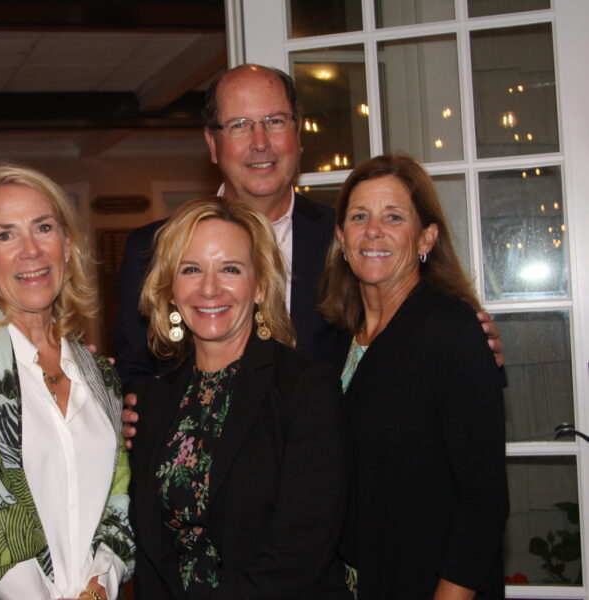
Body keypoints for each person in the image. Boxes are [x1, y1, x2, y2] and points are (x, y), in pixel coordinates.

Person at [115, 63, 503, 439]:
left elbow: (408, 326)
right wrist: (139, 412)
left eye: (275, 121)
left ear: (298, 134)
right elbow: (135, 368)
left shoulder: (349, 239)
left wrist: (469, 345)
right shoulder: (151, 249)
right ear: (211, 144)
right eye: (239, 125)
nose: (260, 142)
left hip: (328, 476)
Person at [0, 162, 135, 600]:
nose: (30, 250)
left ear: (67, 244)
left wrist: (101, 582)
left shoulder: (100, 376)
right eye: (5, 235)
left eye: (43, 228)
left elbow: (118, 502)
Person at [128, 196, 348, 599]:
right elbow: (151, 556)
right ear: (171, 290)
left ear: (260, 285)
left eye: (230, 269)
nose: (209, 288)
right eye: (191, 269)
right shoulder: (152, 400)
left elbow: (300, 552)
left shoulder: (306, 388)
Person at [319, 155, 508, 599]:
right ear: (342, 237)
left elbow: (483, 500)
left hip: (431, 584)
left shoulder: (452, 331)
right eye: (359, 216)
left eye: (394, 217)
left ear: (426, 237)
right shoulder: (336, 341)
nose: (373, 231)